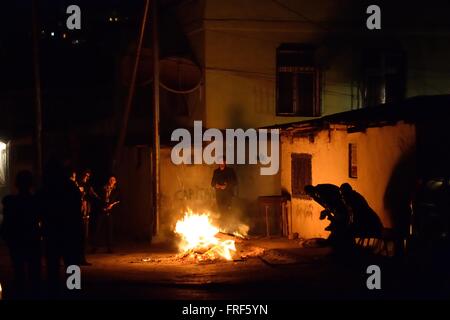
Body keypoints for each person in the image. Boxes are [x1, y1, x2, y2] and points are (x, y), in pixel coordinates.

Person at [37, 160, 83, 294]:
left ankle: (54, 291)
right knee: (72, 265)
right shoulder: (71, 188)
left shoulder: (47, 189)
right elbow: (76, 212)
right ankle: (73, 292)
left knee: (53, 267)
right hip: (70, 233)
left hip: (53, 234)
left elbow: (40, 211)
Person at [1, 170, 41, 297]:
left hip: (17, 241)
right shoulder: (35, 201)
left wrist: (7, 237)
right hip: (31, 239)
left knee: (19, 272)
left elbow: (7, 223)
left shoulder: (10, 202)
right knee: (33, 273)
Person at [94, 175, 120, 253]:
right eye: (111, 179)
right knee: (98, 228)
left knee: (109, 229)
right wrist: (102, 207)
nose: (112, 181)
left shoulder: (117, 190)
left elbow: (119, 201)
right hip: (102, 210)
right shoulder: (103, 188)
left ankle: (110, 247)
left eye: (113, 180)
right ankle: (95, 246)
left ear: (115, 182)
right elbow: (98, 199)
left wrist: (112, 206)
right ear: (108, 180)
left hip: (110, 211)